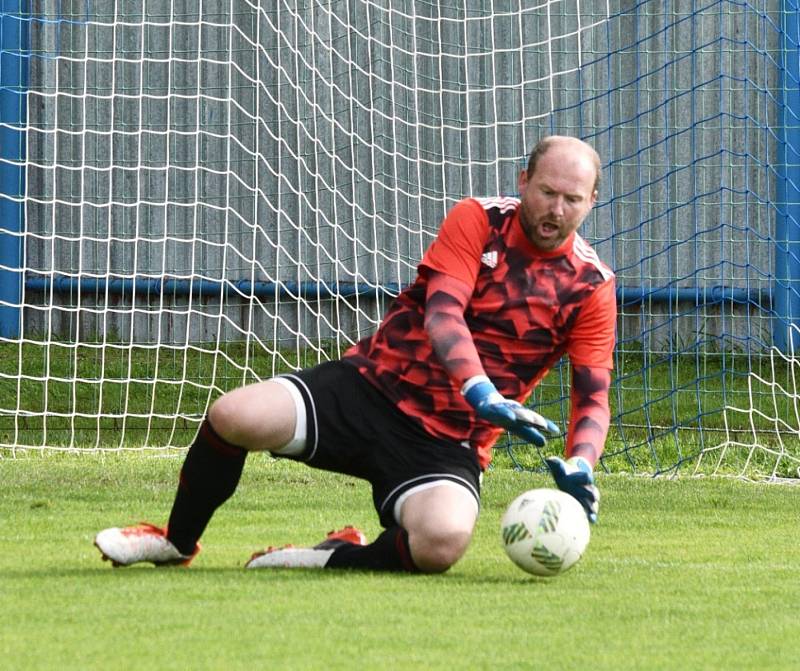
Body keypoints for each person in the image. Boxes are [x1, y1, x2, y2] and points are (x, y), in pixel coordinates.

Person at [94, 135, 616, 574]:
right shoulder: (477, 219)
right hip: (369, 387)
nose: (556, 209)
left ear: (592, 201)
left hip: (450, 440)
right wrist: (481, 390)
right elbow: (443, 315)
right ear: (523, 181)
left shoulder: (592, 287)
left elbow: (592, 397)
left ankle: (332, 555)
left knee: (443, 543)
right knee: (234, 414)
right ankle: (177, 541)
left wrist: (581, 461)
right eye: (547, 192)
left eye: (572, 199)